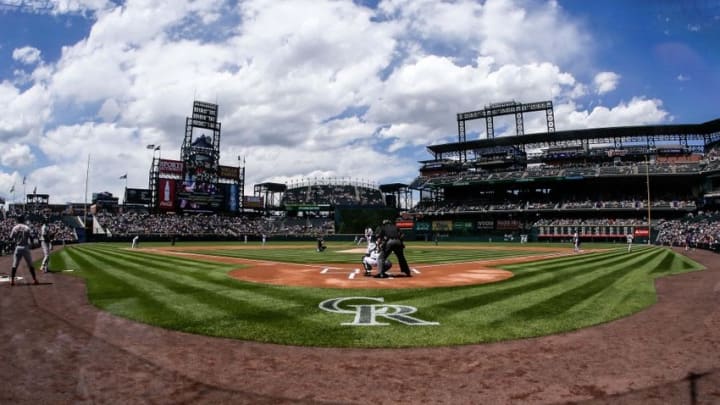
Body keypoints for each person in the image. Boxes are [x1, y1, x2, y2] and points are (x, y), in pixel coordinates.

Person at [9, 215, 39, 286]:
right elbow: (31, 237)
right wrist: (32, 244)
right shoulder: (26, 227)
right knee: (30, 264)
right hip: (25, 247)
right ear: (23, 219)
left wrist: (15, 240)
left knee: (15, 264)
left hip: (18, 247)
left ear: (18, 220)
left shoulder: (15, 227)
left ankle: (12, 280)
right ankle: (35, 279)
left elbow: (10, 238)